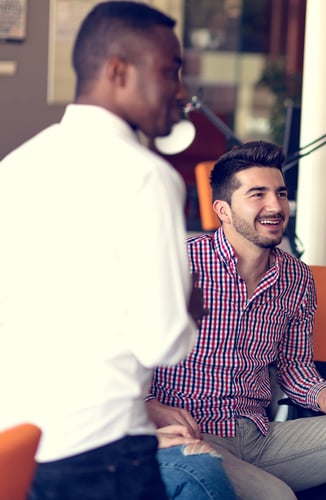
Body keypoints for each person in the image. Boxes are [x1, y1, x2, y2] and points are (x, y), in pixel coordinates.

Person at [0, 2, 200, 498]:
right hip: (105, 449)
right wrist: (190, 300)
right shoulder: (147, 175)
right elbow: (165, 342)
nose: (180, 91)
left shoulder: (16, 166)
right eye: (169, 70)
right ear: (117, 71)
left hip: (23, 445)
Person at [147, 140, 326, 500]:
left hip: (259, 434)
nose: (275, 206)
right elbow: (124, 356)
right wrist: (150, 405)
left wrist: (324, 393)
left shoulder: (297, 278)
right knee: (277, 497)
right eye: (257, 194)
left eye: (280, 193)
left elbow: (294, 369)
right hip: (192, 434)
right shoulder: (179, 263)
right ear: (223, 210)